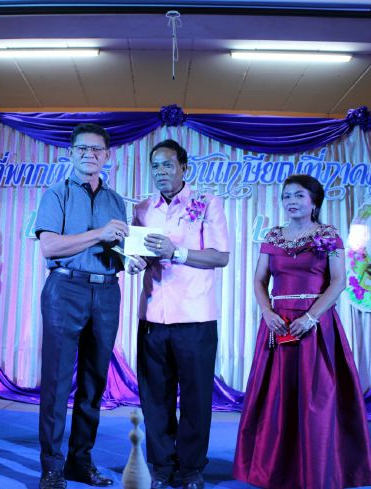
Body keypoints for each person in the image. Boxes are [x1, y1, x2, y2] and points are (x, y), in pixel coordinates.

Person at [233, 174, 371, 489]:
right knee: (275, 396)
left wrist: (311, 317)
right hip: (278, 323)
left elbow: (338, 281)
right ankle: (273, 468)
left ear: (314, 202)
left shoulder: (329, 235)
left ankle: (319, 468)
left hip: (315, 325)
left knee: (317, 397)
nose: (291, 201)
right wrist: (267, 312)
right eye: (286, 196)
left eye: (299, 195)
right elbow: (259, 280)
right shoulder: (273, 236)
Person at [128, 139, 229, 489]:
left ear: (184, 168)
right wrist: (133, 262)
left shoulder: (207, 203)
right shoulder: (142, 208)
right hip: (152, 317)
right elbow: (139, 255)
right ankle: (160, 467)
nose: (161, 172)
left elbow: (220, 256)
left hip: (196, 317)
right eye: (155, 166)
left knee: (196, 399)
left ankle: (191, 469)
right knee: (155, 398)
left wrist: (177, 252)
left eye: (168, 165)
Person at [34, 123, 129, 489]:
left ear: (107, 156)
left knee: (94, 383)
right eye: (82, 149)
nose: (90, 155)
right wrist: (98, 234)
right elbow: (50, 246)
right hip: (65, 289)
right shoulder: (55, 194)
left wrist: (130, 259)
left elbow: (116, 248)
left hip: (106, 293)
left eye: (96, 150)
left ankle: (80, 462)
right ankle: (51, 467)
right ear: (71, 153)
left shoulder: (116, 200)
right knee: (57, 383)